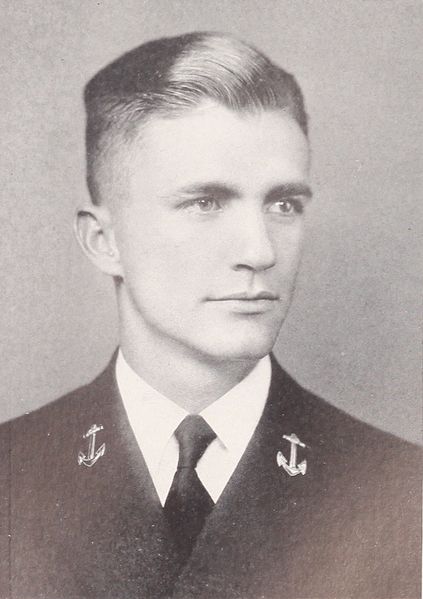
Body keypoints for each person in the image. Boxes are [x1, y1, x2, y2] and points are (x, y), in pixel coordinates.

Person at [0, 32, 420, 599]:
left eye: (284, 204)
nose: (260, 251)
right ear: (104, 241)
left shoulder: (401, 492)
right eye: (205, 203)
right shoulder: (13, 476)